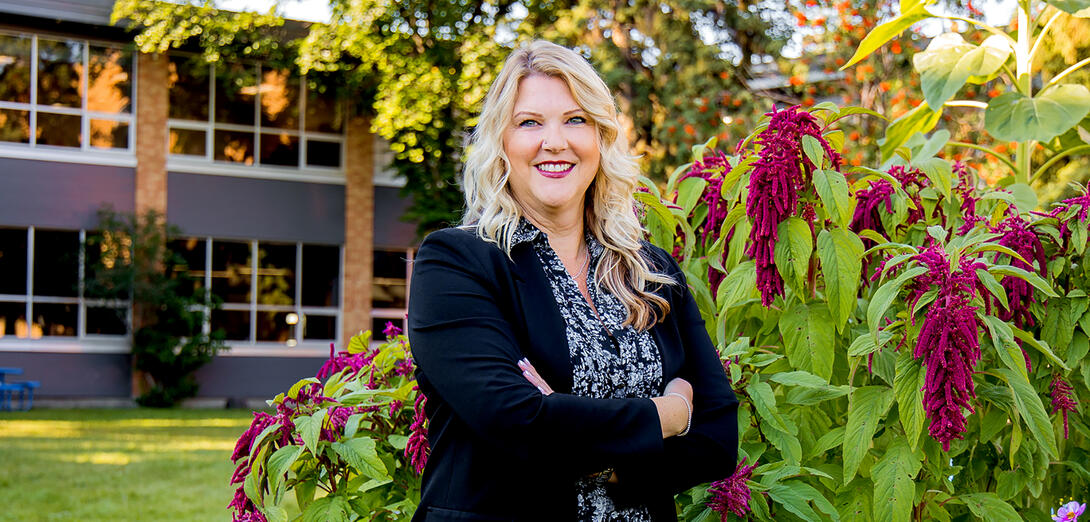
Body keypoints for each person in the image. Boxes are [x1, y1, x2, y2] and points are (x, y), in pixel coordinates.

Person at [407, 40, 738, 521]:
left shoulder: (650, 271)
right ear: (502, 141)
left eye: (576, 119)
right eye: (529, 123)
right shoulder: (458, 263)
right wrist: (668, 415)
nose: (555, 141)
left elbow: (717, 439)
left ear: (601, 138)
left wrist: (592, 452)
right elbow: (517, 422)